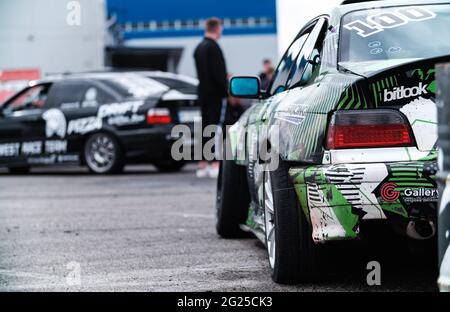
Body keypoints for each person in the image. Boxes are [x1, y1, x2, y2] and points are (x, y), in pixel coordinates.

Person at [194, 17, 228, 178]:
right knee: (215, 129)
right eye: (220, 28)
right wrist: (227, 91)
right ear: (216, 28)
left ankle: (202, 164)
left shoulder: (198, 48)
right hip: (215, 95)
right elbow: (219, 75)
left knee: (204, 128)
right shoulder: (213, 48)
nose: (221, 31)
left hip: (202, 94)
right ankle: (214, 163)